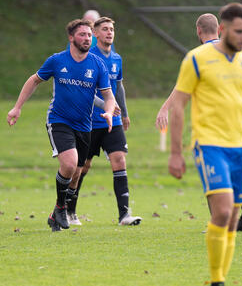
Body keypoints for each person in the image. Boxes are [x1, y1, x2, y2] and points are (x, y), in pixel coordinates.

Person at [167, 3, 242, 286]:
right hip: (208, 144)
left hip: (239, 147)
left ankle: (220, 275)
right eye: (238, 31)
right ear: (222, 29)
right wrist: (175, 152)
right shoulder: (196, 59)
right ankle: (217, 280)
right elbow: (178, 107)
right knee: (222, 209)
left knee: (232, 217)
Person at [7, 19, 115, 232]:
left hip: (84, 125)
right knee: (69, 164)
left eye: (89, 35)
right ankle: (60, 208)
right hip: (59, 120)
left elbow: (108, 96)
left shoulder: (97, 64)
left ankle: (56, 212)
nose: (87, 38)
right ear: (71, 38)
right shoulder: (57, 60)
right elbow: (34, 80)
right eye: (82, 34)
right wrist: (17, 107)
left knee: (77, 172)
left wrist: (110, 112)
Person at [156, 13, 242, 232]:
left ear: (198, 31)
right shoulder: (239, 53)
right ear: (219, 29)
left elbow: (181, 90)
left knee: (216, 170)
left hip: (216, 124)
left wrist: (165, 107)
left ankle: (220, 222)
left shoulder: (200, 55)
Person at [66, 17, 141, 226]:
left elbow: (119, 87)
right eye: (104, 30)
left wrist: (123, 113)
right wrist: (104, 106)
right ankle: (69, 211)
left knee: (119, 159)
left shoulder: (116, 58)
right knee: (81, 167)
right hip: (88, 122)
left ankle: (124, 214)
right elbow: (82, 89)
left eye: (111, 30)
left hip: (113, 121)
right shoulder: (87, 57)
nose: (109, 33)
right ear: (96, 34)